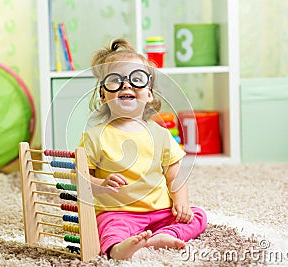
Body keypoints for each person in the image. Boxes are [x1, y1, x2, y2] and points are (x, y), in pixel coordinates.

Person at [78, 38, 207, 260]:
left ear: (149, 95)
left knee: (197, 216)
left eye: (136, 79)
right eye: (115, 80)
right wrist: (101, 184)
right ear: (103, 94)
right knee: (105, 226)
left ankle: (165, 235)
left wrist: (181, 202)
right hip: (118, 213)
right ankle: (118, 248)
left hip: (160, 212)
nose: (126, 85)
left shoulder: (161, 134)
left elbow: (175, 175)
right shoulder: (94, 136)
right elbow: (80, 180)